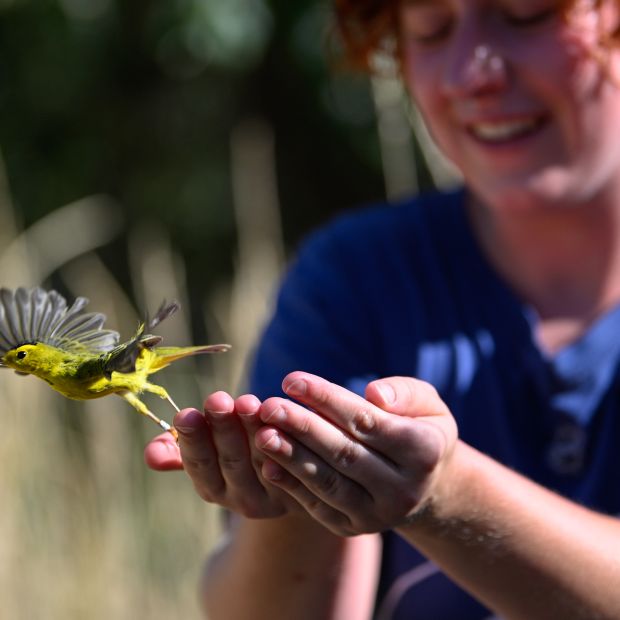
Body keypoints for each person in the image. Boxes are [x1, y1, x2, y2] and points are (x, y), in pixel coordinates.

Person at [145, 0, 620, 618]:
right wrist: (297, 487)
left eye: (526, 15)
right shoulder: (354, 278)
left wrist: (446, 492)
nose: (470, 73)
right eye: (430, 29)